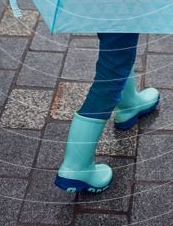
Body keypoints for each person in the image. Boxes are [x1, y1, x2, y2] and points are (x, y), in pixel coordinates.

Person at [55, 33, 159, 192]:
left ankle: (129, 105)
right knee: (111, 75)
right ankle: (76, 167)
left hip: (101, 7)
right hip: (122, 8)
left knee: (118, 52)